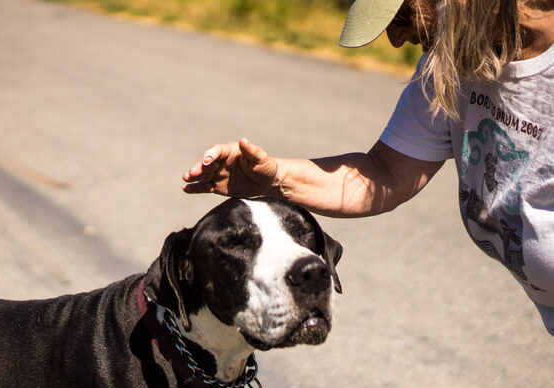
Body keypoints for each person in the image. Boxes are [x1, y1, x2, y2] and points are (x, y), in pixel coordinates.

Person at [182, 0, 554, 335]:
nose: (396, 39)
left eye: (402, 13)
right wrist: (273, 177)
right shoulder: (451, 65)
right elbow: (383, 174)